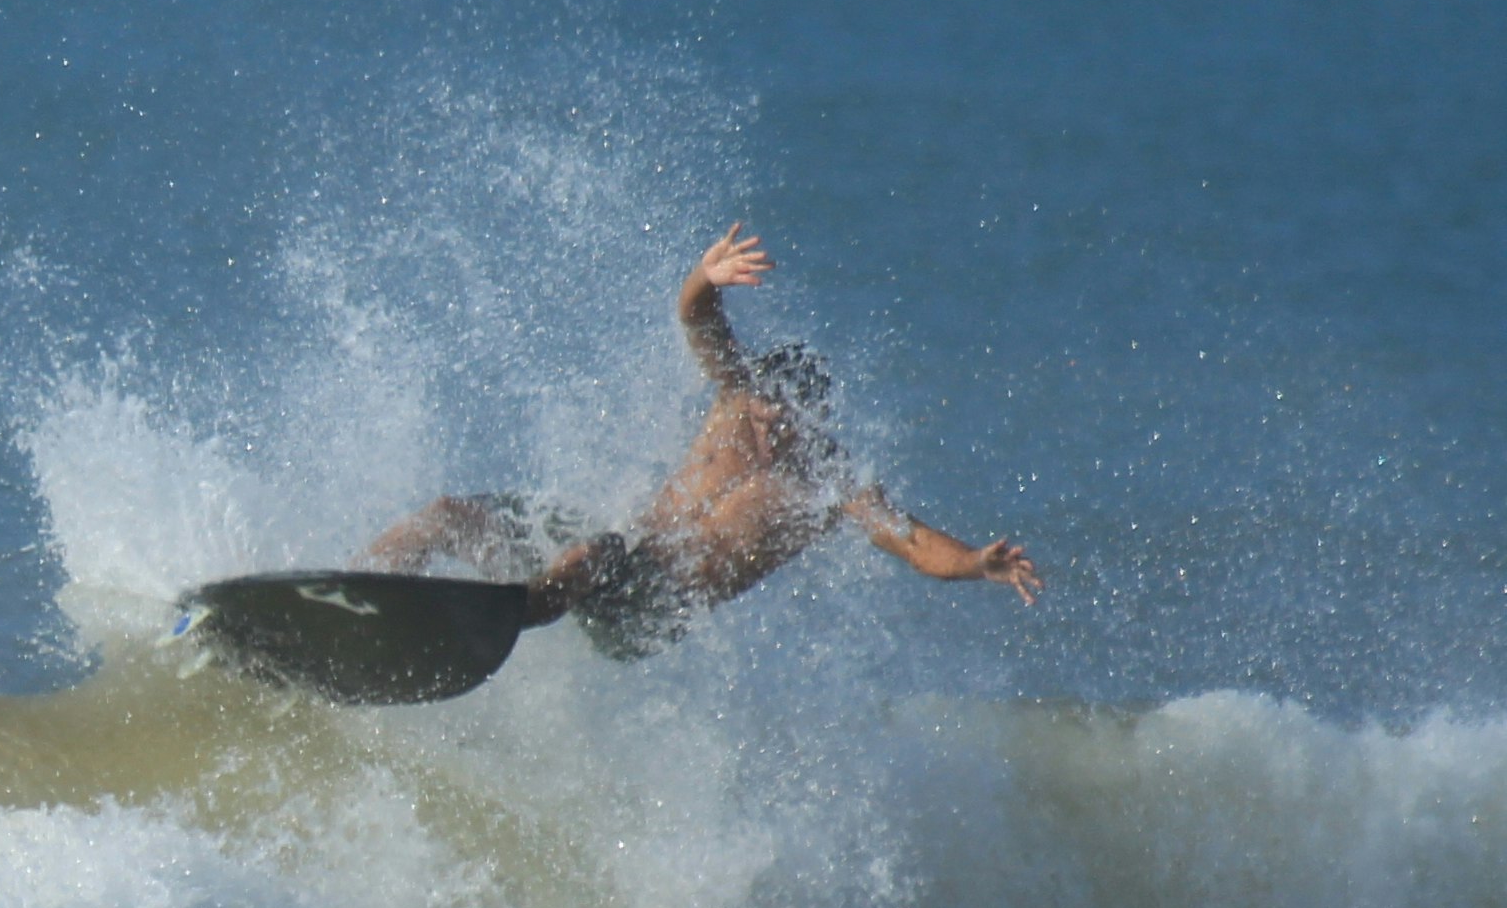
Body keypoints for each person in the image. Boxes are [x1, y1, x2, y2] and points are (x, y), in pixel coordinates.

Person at [361, 225, 1037, 651]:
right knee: (451, 515)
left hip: (651, 605)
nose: (770, 423)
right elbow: (699, 320)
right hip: (616, 551)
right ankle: (354, 594)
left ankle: (499, 620)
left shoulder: (826, 484)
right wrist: (703, 278)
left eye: (788, 419)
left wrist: (977, 563)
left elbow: (916, 544)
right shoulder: (737, 401)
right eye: (768, 408)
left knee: (592, 550)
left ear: (812, 426)